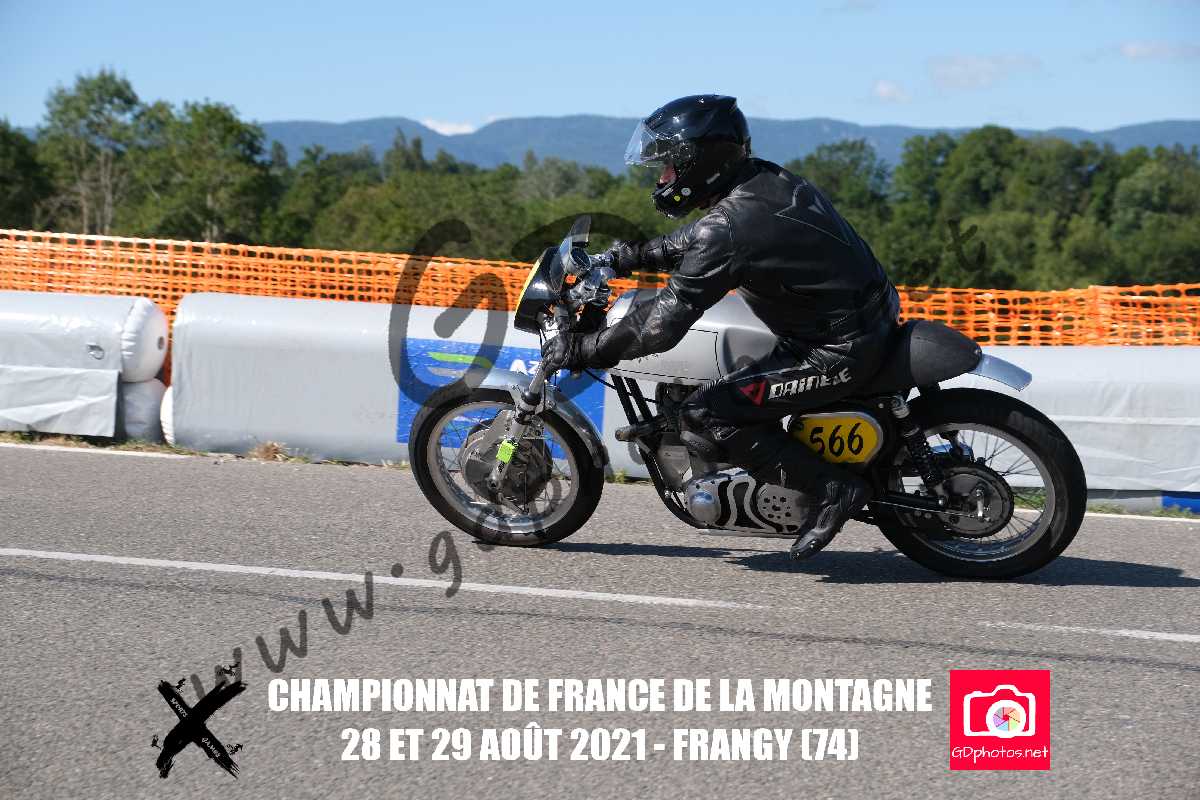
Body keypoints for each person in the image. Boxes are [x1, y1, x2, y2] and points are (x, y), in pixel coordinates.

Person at [540, 95, 900, 559]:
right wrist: (625, 257)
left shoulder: (732, 226)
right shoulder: (760, 181)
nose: (662, 177)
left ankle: (831, 489)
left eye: (670, 166)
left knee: (706, 413)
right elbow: (697, 238)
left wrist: (584, 348)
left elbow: (661, 325)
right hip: (857, 323)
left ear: (700, 162)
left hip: (836, 349)